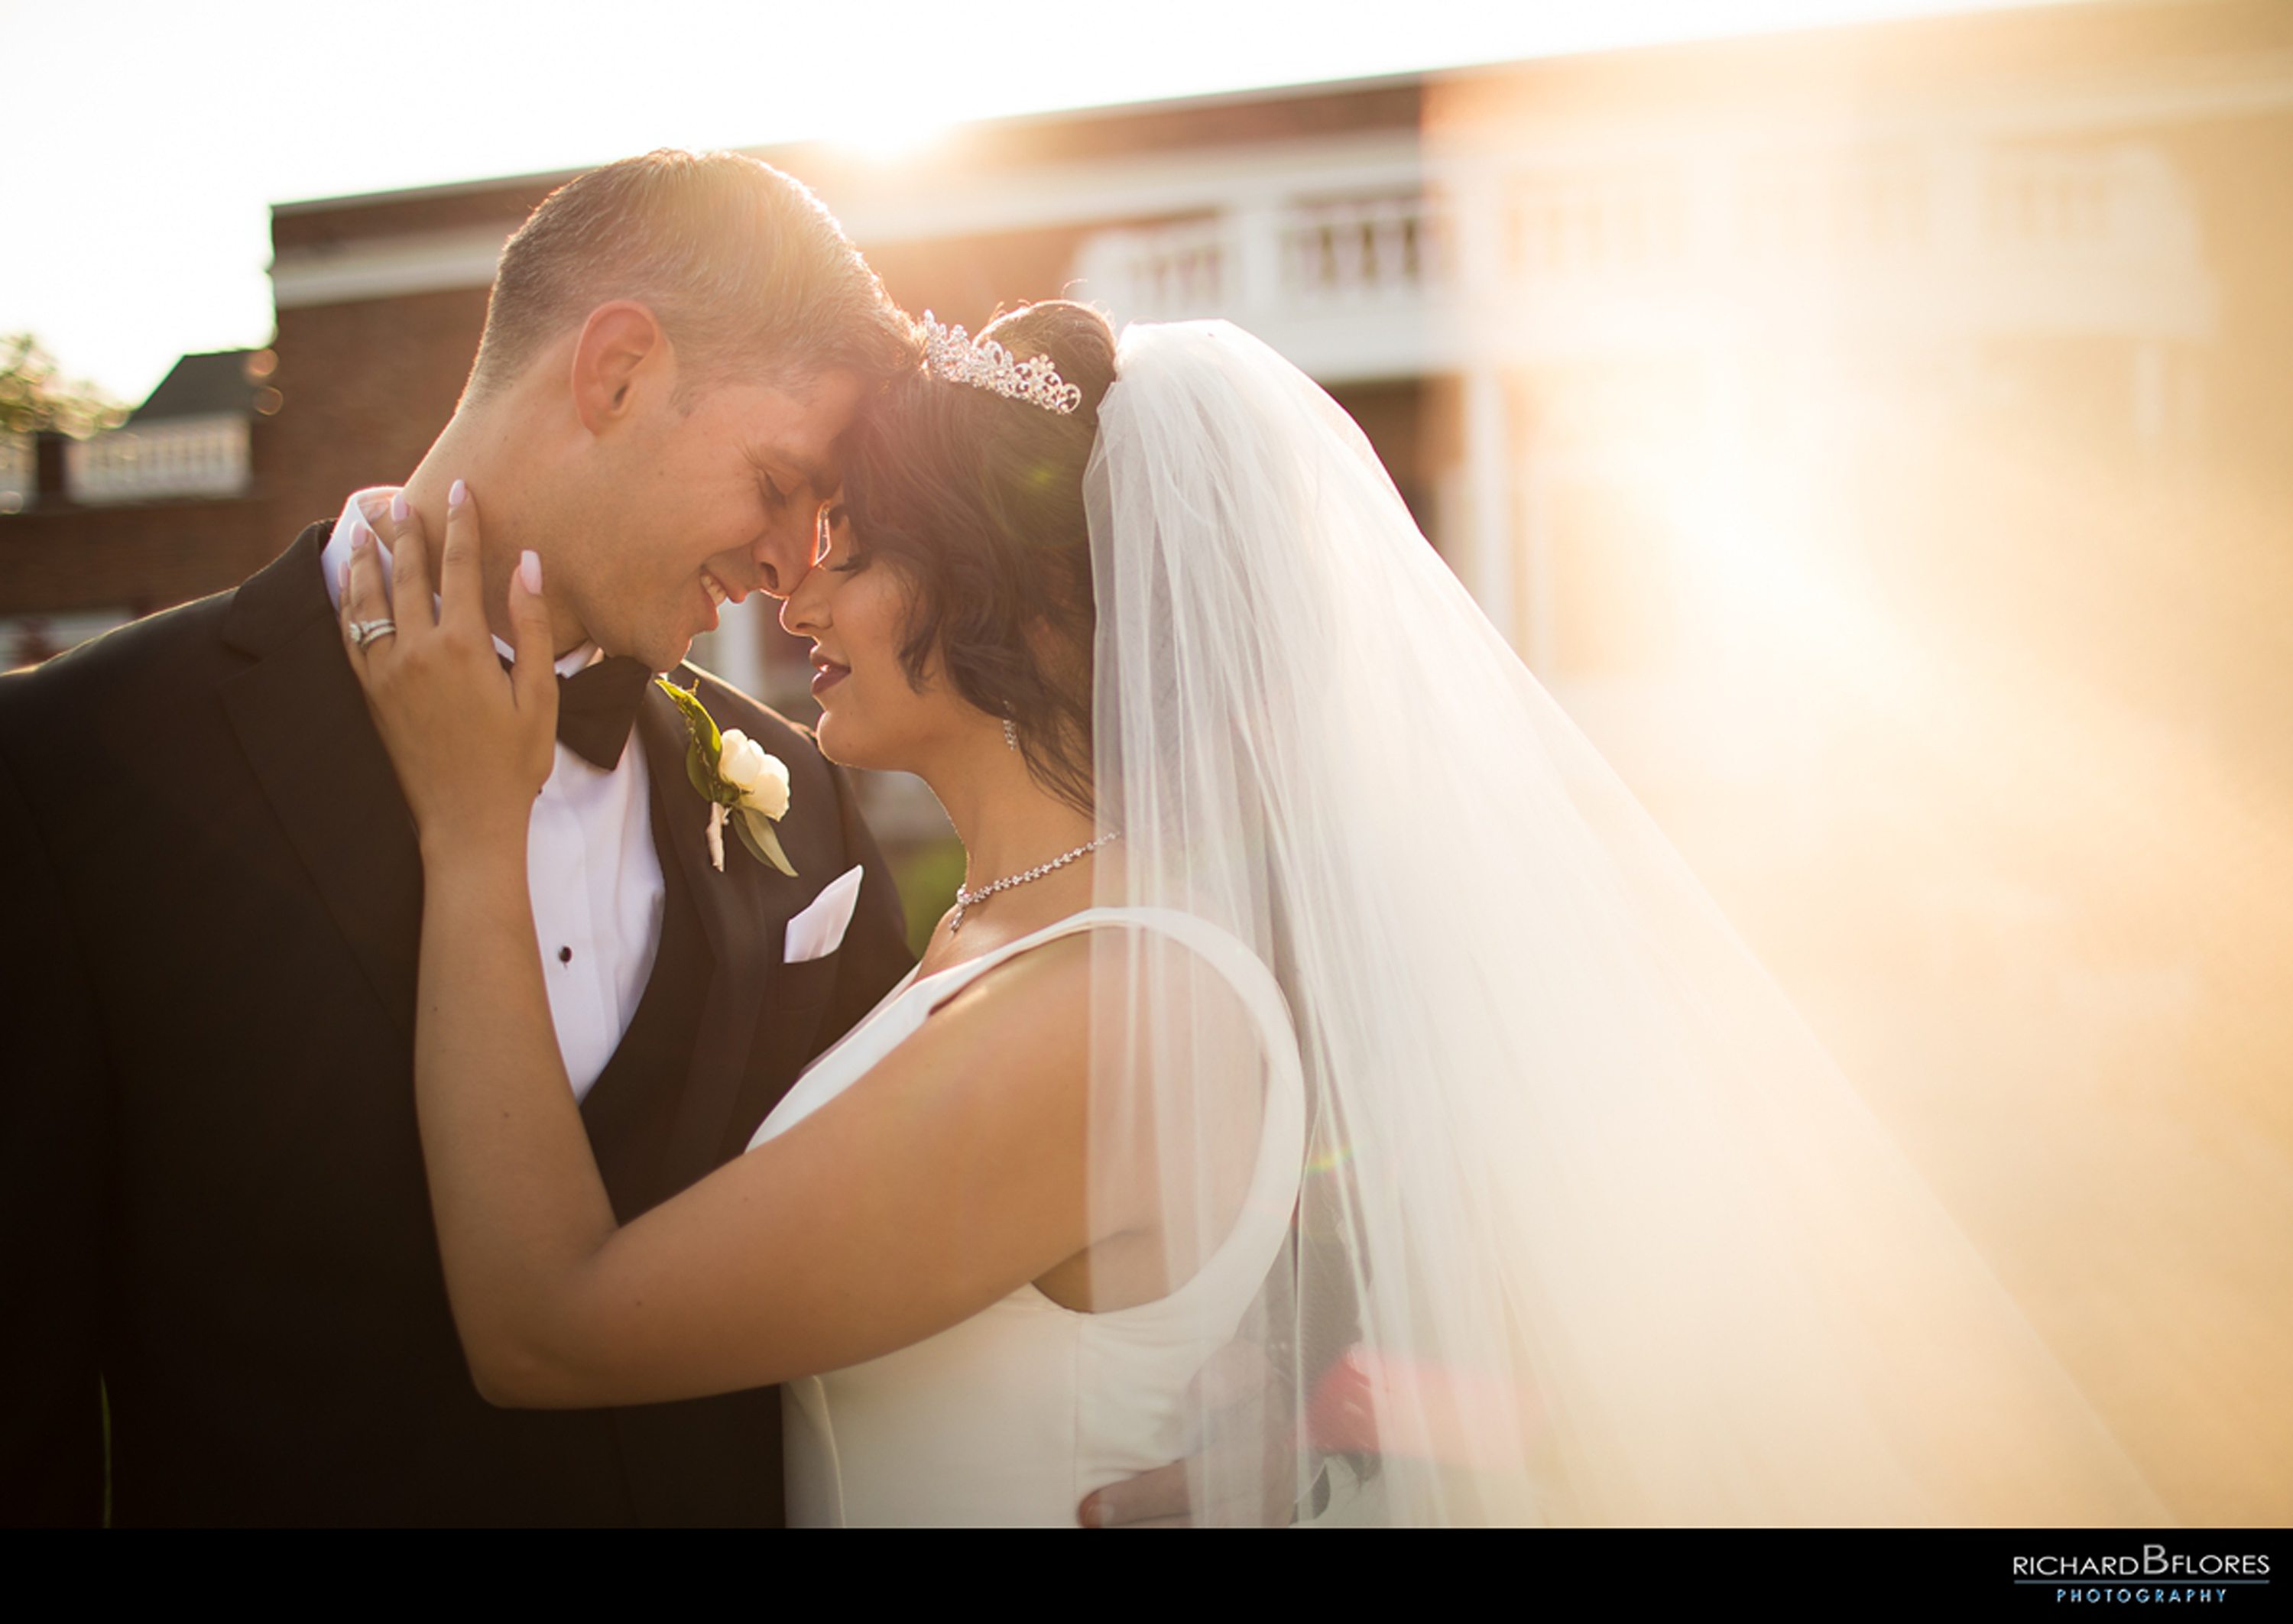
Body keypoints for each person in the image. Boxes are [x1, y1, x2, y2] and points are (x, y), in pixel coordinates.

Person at [335, 300, 2170, 1527]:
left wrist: (469, 828)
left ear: (1034, 612)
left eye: (862, 549)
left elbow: (552, 1327)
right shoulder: (1002, 937)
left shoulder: (1108, 1018)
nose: (796, 595)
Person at [0, 150, 920, 1527]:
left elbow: (901, 1244)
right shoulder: (71, 770)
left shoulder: (803, 792)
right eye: (779, 481)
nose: (792, 563)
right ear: (617, 371)